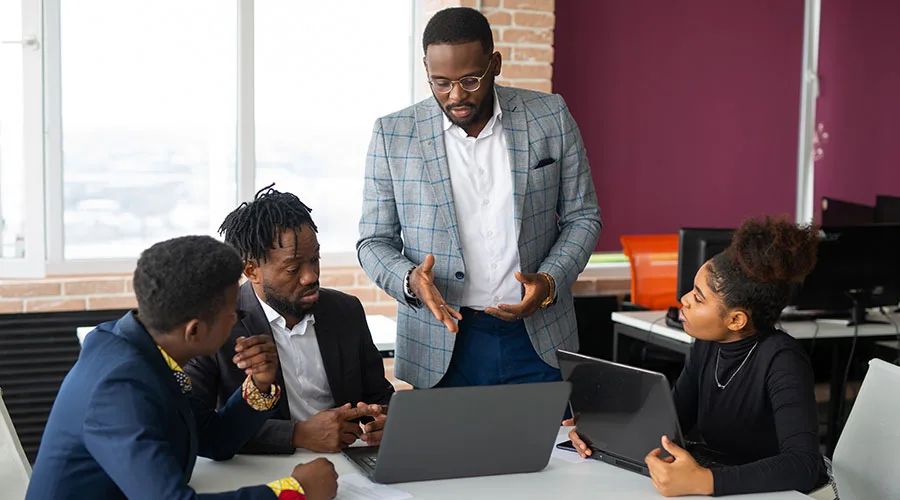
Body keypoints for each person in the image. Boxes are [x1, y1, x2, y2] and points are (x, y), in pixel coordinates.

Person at [357, 7, 602, 389]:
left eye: (470, 80)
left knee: (547, 449)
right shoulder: (393, 134)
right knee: (449, 451)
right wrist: (409, 280)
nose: (455, 96)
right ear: (426, 68)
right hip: (442, 342)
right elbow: (373, 240)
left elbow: (582, 216)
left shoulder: (549, 116)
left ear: (495, 64)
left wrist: (550, 282)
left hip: (538, 338)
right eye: (440, 82)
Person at [26, 235, 338, 500]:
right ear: (194, 331)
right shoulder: (119, 388)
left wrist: (258, 385)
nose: (236, 319)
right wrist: (295, 491)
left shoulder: (138, 346)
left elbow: (214, 440)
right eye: (231, 312)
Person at [565, 216, 829, 497]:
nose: (684, 299)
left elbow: (803, 465)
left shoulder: (782, 360)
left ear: (736, 320)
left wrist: (705, 481)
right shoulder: (708, 345)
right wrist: (598, 432)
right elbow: (672, 424)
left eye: (699, 297)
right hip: (730, 484)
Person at [187, 186, 393, 455]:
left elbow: (378, 395)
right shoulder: (213, 325)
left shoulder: (346, 310)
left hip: (349, 460)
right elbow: (199, 428)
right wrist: (296, 435)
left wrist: (385, 421)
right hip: (260, 469)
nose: (311, 276)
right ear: (251, 271)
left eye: (315, 259)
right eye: (293, 268)